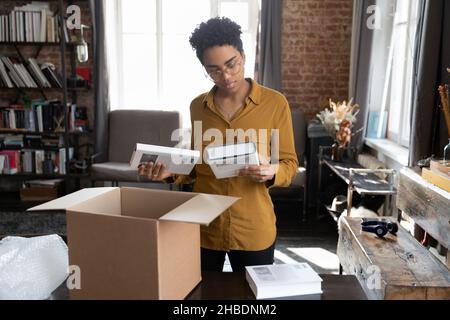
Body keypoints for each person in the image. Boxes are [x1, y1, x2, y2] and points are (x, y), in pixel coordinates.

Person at [138, 17, 298, 272]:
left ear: (243, 56)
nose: (225, 76)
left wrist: (273, 171)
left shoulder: (275, 103)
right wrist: (171, 172)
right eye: (213, 69)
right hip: (205, 227)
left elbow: (289, 163)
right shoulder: (197, 106)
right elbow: (198, 165)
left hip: (253, 228)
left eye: (231, 64)